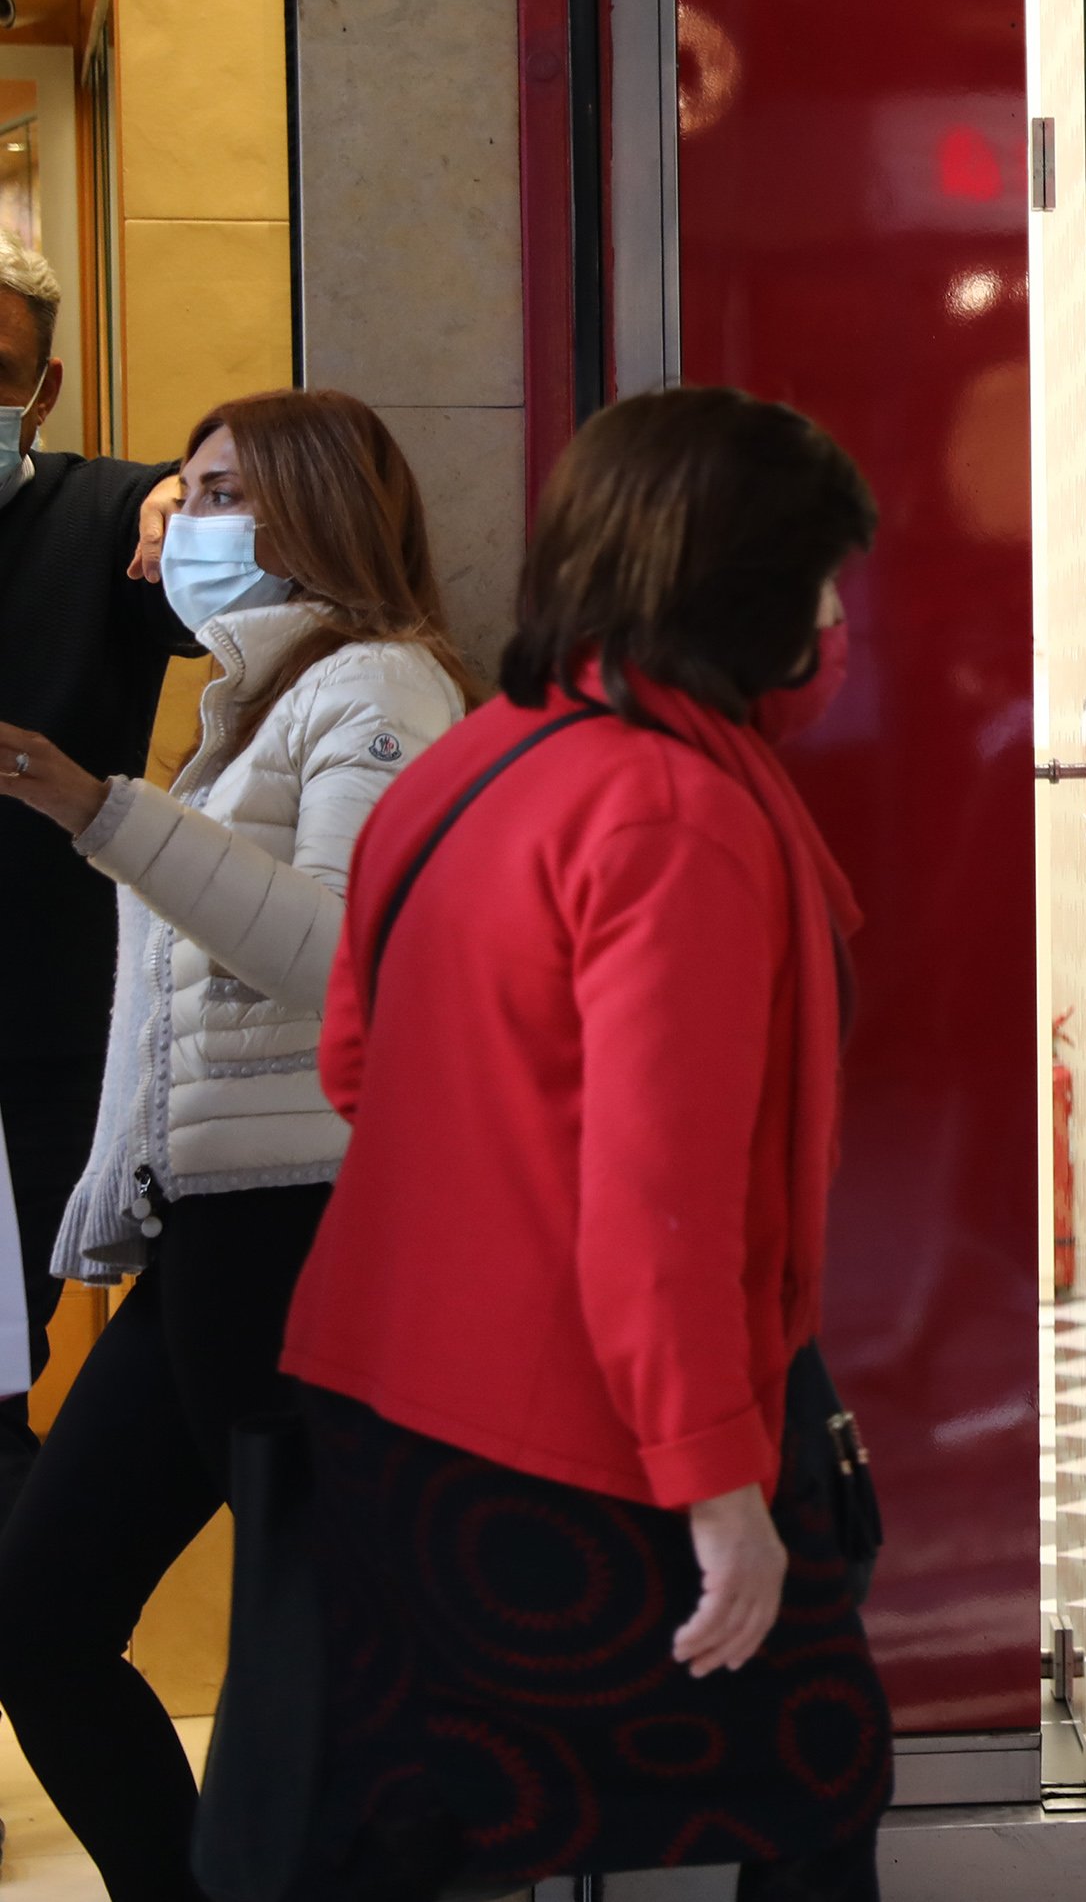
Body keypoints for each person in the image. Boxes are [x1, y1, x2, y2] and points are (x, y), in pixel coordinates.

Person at [275, 387, 892, 1900]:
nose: (831, 615)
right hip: (576, 1425)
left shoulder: (477, 753)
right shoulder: (674, 809)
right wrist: (717, 1489)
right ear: (739, 584)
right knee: (811, 1788)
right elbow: (654, 1200)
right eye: (816, 576)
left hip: (391, 1400)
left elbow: (358, 1063)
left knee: (425, 1821)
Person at [0, 388, 470, 1902]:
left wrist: (96, 807)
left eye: (214, 493)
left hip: (300, 1226)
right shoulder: (259, 704)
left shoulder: (381, 688)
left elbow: (346, 957)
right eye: (184, 492)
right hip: (214, 1221)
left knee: (314, 1653)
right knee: (40, 1607)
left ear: (311, 511)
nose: (181, 520)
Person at [0, 235, 186, 1513]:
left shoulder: (121, 516)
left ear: (45, 386)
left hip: (42, 1034)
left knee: (8, 1382)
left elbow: (233, 594)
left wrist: (208, 503)